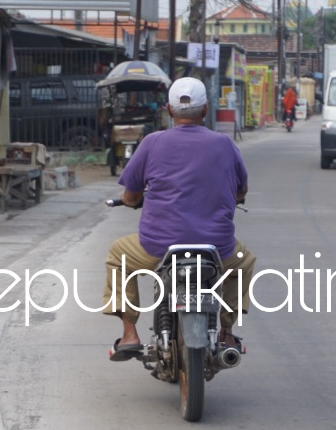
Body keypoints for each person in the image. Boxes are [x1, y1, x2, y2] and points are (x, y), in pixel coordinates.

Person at [103, 77, 256, 361]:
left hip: (158, 247)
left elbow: (131, 196)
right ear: (205, 110)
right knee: (244, 261)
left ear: (169, 111)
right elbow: (240, 191)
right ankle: (226, 331)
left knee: (117, 256)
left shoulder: (152, 142)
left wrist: (131, 201)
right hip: (217, 250)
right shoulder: (224, 144)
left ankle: (129, 333)